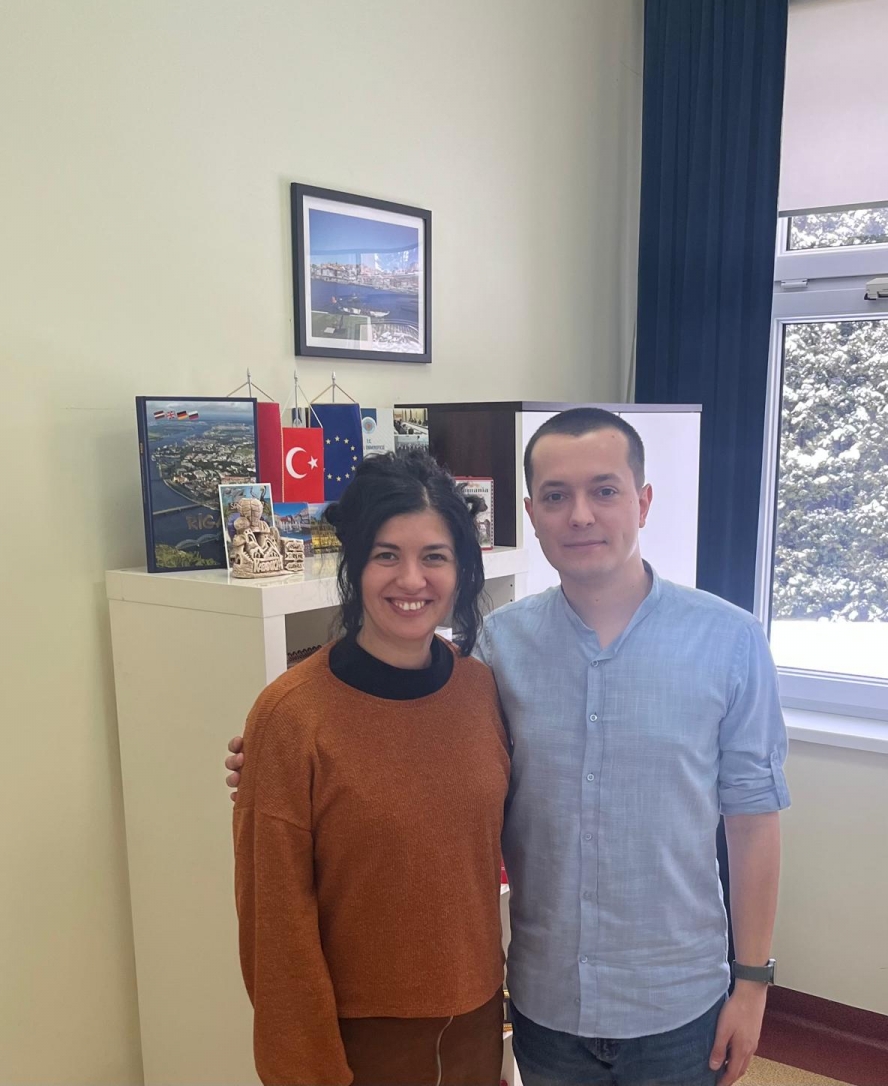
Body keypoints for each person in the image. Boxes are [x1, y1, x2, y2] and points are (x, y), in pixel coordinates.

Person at [227, 408, 790, 1086]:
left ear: (642, 502)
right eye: (556, 495)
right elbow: (402, 748)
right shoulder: (499, 650)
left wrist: (752, 983)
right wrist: (276, 756)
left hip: (676, 1004)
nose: (580, 515)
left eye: (604, 490)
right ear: (532, 514)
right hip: (544, 1009)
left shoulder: (729, 642)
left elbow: (754, 821)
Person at [232, 448, 510, 1086]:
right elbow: (275, 926)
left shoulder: (480, 690)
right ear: (355, 565)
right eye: (387, 555)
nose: (411, 580)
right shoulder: (291, 716)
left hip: (476, 1022)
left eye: (434, 556)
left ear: (461, 570)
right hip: (359, 1040)